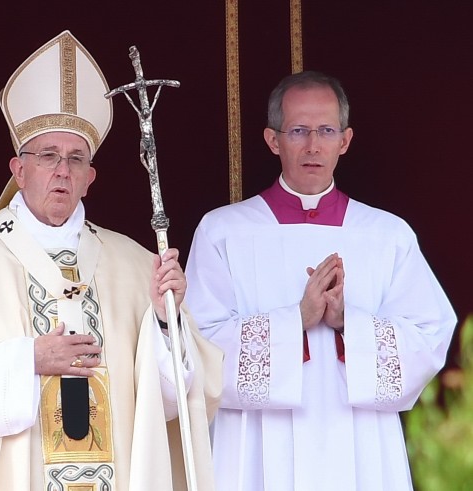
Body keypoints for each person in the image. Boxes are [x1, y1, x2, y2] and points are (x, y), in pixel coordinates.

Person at [0, 30, 222, 491]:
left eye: (75, 159)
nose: (62, 170)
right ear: (18, 168)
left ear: (91, 177)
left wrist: (166, 322)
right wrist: (25, 359)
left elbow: (173, 406)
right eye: (48, 156)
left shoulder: (134, 263)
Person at [184, 71, 457, 491]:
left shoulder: (387, 235)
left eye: (326, 130)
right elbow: (197, 347)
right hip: (256, 446)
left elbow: (430, 336)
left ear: (344, 140)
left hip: (360, 444)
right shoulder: (223, 232)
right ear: (273, 140)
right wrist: (296, 320)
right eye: (298, 130)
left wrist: (350, 323)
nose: (313, 145)